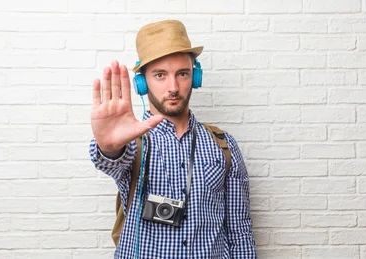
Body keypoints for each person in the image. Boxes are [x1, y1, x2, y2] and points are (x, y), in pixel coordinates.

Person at [88, 20, 257, 258]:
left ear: (195, 77)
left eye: (183, 74)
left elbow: (240, 231)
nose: (173, 87)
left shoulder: (224, 145)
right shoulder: (131, 143)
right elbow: (111, 160)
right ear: (141, 82)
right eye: (160, 75)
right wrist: (108, 146)